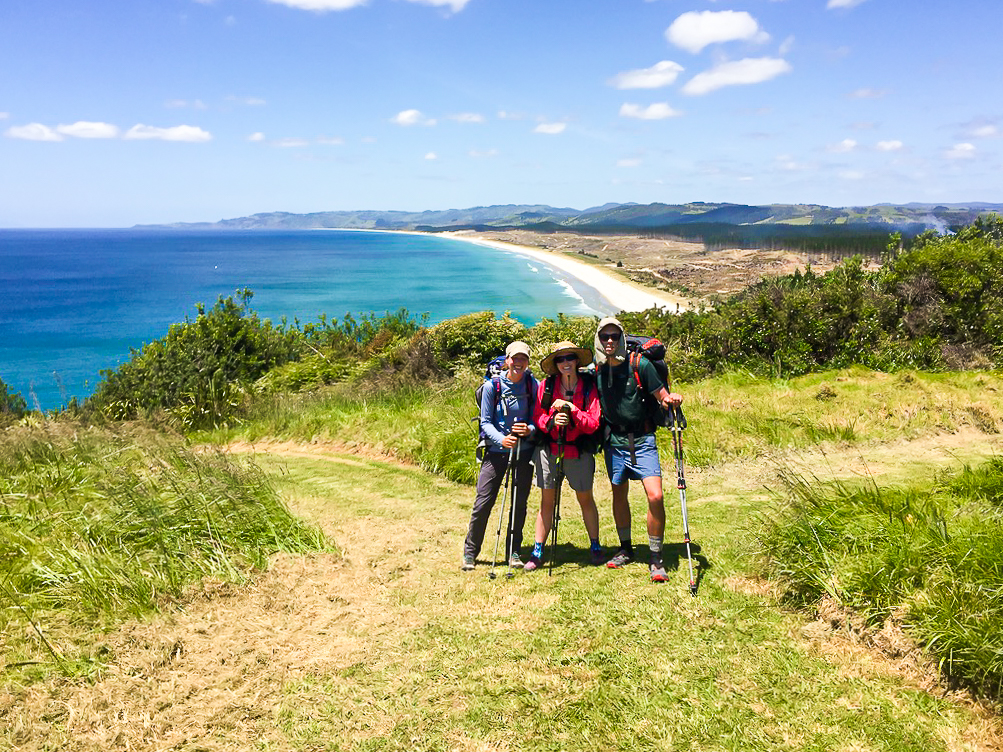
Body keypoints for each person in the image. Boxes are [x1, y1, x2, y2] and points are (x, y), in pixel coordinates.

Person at [593, 317, 683, 583]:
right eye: (604, 336)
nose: (609, 341)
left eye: (614, 336)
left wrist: (671, 400)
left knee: (655, 496)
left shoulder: (639, 364)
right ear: (598, 339)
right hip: (615, 442)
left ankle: (656, 557)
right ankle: (626, 548)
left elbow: (662, 396)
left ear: (621, 337)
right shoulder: (596, 369)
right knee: (618, 494)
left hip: (643, 439)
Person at [524, 341, 604, 571]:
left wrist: (572, 411)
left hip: (577, 451)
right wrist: (552, 421)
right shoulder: (547, 386)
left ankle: (595, 546)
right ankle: (538, 550)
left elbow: (593, 423)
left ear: (577, 360)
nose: (565, 363)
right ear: (555, 364)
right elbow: (538, 416)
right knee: (546, 502)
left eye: (569, 357)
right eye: (560, 359)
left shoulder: (588, 388)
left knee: (585, 499)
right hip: (549, 449)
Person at [462, 340, 538, 571]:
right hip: (496, 452)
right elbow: (485, 422)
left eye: (523, 358)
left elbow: (537, 417)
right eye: (514, 358)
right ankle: (470, 553)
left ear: (527, 362)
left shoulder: (531, 384)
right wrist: (501, 439)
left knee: (519, 504)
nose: (518, 362)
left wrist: (530, 430)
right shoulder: (491, 388)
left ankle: (513, 551)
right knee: (483, 502)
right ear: (507, 360)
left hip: (523, 452)